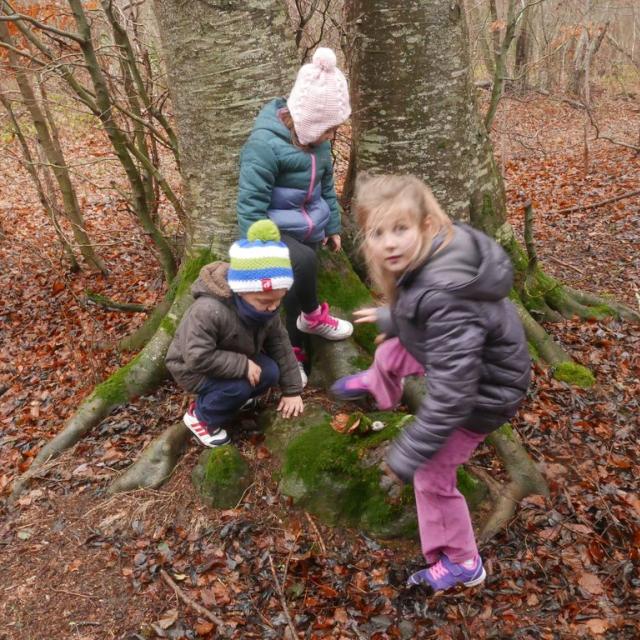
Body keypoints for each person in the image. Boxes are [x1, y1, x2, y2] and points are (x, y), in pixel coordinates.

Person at [331, 174, 531, 592]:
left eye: (399, 229)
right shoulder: (436, 258)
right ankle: (379, 384)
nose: (389, 243)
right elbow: (423, 310)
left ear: (425, 226)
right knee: (390, 347)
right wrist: (393, 318)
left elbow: (453, 394)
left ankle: (463, 561)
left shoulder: (446, 296)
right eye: (377, 232)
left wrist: (410, 452)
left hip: (481, 395)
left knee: (431, 474)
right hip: (468, 365)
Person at [236, 47, 354, 386]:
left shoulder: (317, 145)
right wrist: (260, 249)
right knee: (299, 265)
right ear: (306, 122)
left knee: (292, 299)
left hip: (308, 228)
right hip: (272, 233)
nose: (331, 137)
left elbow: (327, 188)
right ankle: (314, 318)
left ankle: (296, 354)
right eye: (327, 130)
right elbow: (250, 204)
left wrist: (332, 225)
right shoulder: (265, 146)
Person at [166, 220, 304, 447]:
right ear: (241, 292)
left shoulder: (267, 309)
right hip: (192, 367)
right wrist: (242, 366)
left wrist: (292, 390)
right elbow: (196, 356)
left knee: (270, 371)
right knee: (236, 387)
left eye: (279, 300)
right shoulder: (210, 310)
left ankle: (232, 399)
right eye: (265, 302)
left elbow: (280, 344)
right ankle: (200, 416)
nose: (272, 307)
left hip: (233, 357)